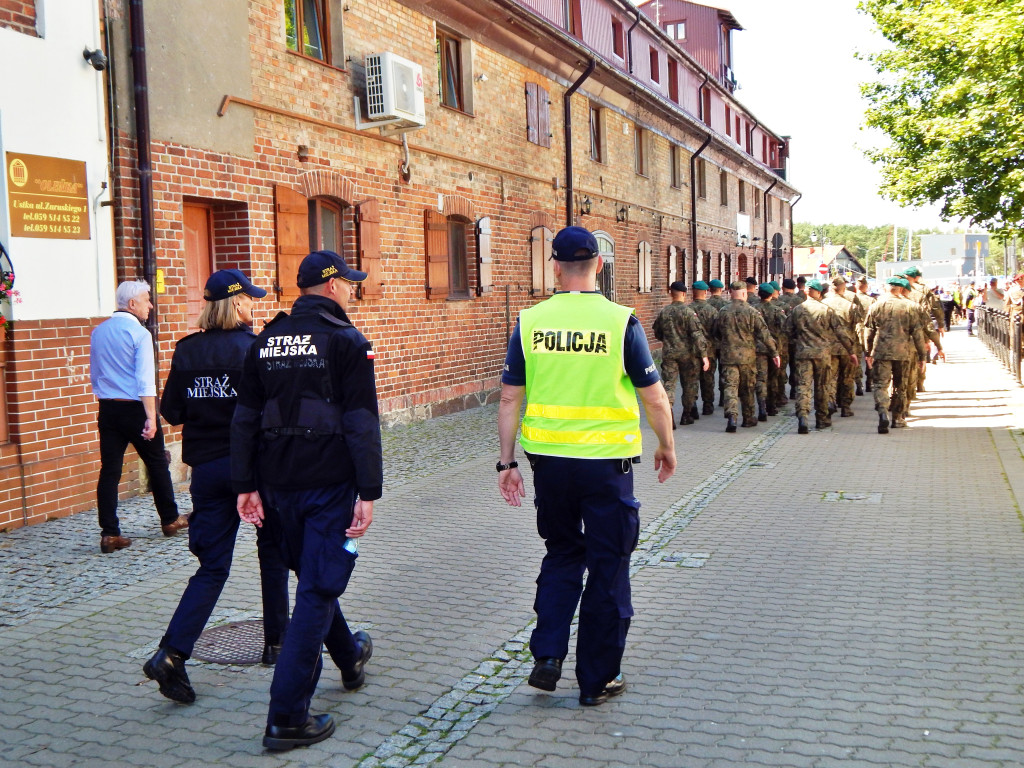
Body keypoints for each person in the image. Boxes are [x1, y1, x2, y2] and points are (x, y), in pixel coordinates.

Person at [496, 226, 676, 707]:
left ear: (554, 266)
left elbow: (511, 395)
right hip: (606, 466)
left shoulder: (530, 322)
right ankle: (597, 680)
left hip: (549, 465)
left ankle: (548, 656)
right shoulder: (620, 322)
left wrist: (506, 461)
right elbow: (653, 395)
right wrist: (667, 445)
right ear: (600, 264)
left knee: (561, 553)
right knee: (608, 565)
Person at [232, 250, 381, 751]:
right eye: (349, 283)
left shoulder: (265, 341)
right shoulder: (346, 341)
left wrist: (246, 484)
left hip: (276, 487)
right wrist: (369, 491)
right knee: (317, 589)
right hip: (328, 485)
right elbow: (361, 422)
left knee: (314, 576)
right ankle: (287, 715)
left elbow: (245, 419)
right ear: (332, 285)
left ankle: (349, 654)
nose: (353, 290)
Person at [143, 269, 289, 704]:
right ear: (236, 303)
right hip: (254, 470)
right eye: (249, 299)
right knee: (274, 553)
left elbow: (171, 411)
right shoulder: (254, 348)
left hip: (206, 470)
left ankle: (171, 654)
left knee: (212, 567)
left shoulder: (187, 350)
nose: (253, 305)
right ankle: (276, 644)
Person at [90, 280, 188, 554]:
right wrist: (150, 417)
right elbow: (146, 380)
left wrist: (105, 396)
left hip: (108, 407)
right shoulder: (140, 334)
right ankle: (170, 519)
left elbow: (94, 374)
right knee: (157, 463)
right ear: (132, 304)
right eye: (146, 300)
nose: (150, 305)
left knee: (109, 470)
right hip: (135, 407)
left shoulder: (99, 332)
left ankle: (109, 533)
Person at [785, 278, 856, 434]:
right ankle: (822, 419)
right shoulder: (826, 310)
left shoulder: (797, 310)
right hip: (823, 354)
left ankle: (803, 416)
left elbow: (788, 331)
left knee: (803, 386)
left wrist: (798, 342)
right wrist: (851, 351)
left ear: (806, 292)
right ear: (818, 292)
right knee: (822, 386)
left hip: (803, 353)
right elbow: (841, 333)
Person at [864, 277, 929, 433]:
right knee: (901, 386)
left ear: (887, 288)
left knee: (881, 384)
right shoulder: (910, 306)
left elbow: (868, 331)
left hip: (881, 352)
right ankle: (897, 418)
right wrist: (922, 356)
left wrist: (868, 352)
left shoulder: (876, 306)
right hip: (903, 352)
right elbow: (918, 333)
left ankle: (882, 412)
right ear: (901, 289)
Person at [713, 280, 778, 432]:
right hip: (748, 358)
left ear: (730, 293)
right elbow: (764, 333)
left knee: (730, 387)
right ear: (744, 293)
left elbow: (715, 332)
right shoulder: (751, 311)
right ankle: (748, 418)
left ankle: (732, 417)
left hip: (728, 357)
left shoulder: (723, 311)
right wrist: (774, 352)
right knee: (748, 388)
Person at [652, 281, 710, 427]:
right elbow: (697, 335)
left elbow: (658, 332)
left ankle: (669, 412)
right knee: (689, 384)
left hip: (669, 354)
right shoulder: (688, 313)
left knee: (669, 384)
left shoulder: (664, 312)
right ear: (684, 294)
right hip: (688, 355)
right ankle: (686, 414)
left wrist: (669, 340)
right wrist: (704, 355)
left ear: (671, 293)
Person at [822, 277, 863, 418]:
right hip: (847, 347)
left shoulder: (823, 304)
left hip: (829, 347)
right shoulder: (850, 305)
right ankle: (845, 407)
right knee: (847, 377)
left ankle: (831, 401)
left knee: (831, 377)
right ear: (843, 287)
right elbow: (857, 325)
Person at [754, 283, 786, 419]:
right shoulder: (777, 310)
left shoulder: (753, 310)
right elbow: (786, 327)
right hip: (774, 348)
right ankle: (771, 406)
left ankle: (761, 407)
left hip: (758, 349)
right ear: (772, 294)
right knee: (773, 378)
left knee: (761, 379)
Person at [690, 280, 719, 415]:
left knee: (692, 379)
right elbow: (717, 331)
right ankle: (708, 405)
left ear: (692, 292)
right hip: (709, 349)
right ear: (706, 292)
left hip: (691, 350)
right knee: (708, 379)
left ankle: (692, 406)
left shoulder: (688, 309)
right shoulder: (712, 311)